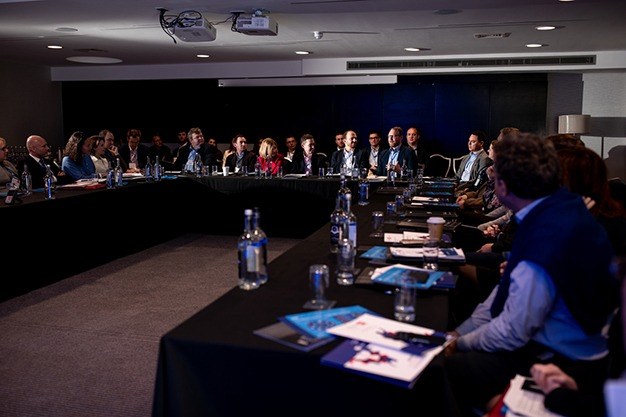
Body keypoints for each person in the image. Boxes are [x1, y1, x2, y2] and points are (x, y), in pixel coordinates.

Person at [444, 133, 619, 416]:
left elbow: (511, 331)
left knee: (443, 371)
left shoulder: (547, 235)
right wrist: (458, 334)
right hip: (571, 348)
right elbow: (500, 297)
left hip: (564, 362)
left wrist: (458, 343)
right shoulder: (559, 209)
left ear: (503, 186)